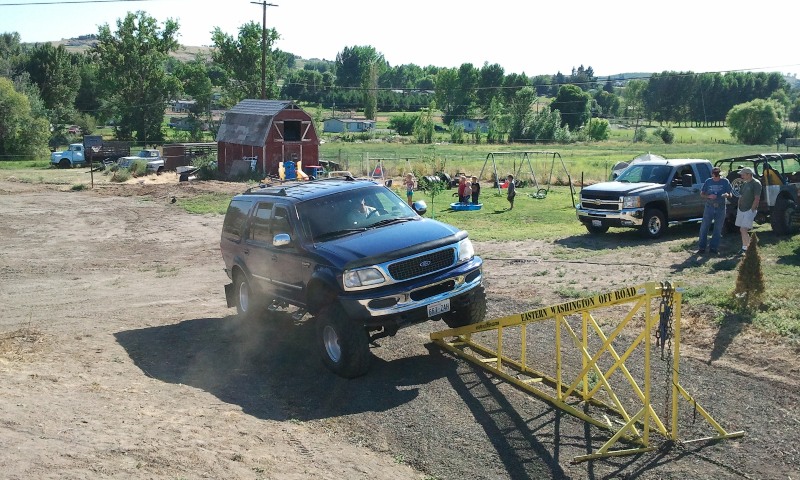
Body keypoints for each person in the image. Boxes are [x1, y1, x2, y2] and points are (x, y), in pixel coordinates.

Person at [697, 166, 732, 255]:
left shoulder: (725, 181)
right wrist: (709, 196)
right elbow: (702, 194)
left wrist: (726, 195)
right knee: (704, 227)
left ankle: (713, 247)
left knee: (718, 228)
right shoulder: (708, 181)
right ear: (712, 174)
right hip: (709, 206)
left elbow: (730, 194)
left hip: (720, 207)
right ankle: (702, 247)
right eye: (715, 175)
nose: (717, 177)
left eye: (718, 175)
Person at [735, 166, 762, 254]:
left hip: (749, 210)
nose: (741, 175)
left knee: (743, 229)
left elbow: (757, 198)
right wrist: (738, 207)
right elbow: (741, 195)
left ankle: (750, 248)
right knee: (742, 230)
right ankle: (745, 247)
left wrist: (752, 210)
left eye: (743, 174)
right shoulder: (745, 183)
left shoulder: (756, 183)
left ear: (749, 174)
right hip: (741, 209)